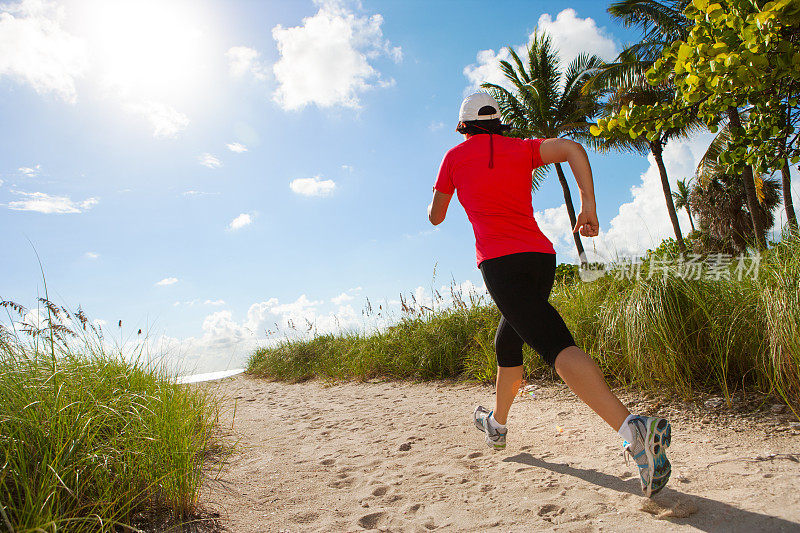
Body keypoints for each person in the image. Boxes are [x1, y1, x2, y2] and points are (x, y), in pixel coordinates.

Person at [427, 91, 672, 498]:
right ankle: (497, 425)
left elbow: (436, 217)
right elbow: (574, 148)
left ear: (464, 126)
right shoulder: (523, 149)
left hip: (499, 263)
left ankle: (635, 430)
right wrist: (588, 206)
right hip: (540, 258)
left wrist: (446, 191)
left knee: (554, 344)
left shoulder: (454, 158)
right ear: (498, 123)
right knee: (508, 339)